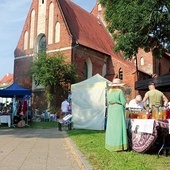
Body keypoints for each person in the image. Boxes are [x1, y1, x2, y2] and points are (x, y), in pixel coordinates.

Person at [105, 78, 128, 152]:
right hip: (118, 109)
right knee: (119, 127)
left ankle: (110, 145)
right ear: (119, 85)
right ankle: (119, 146)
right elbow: (123, 102)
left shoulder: (109, 91)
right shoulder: (120, 91)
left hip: (111, 109)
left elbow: (108, 101)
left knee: (111, 127)